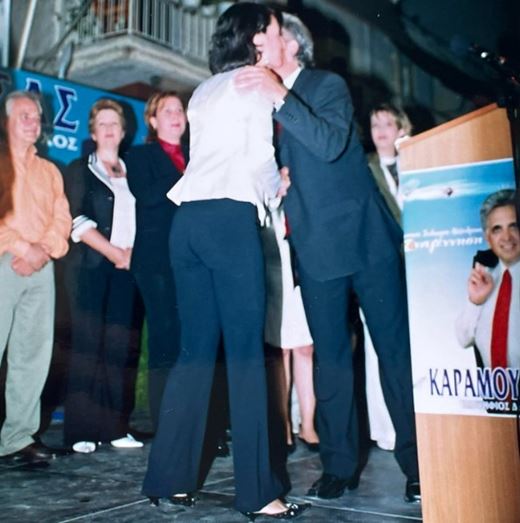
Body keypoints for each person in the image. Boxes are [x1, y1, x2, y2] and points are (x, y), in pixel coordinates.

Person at [235, 12, 420, 503]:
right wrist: (274, 183)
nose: (258, 44)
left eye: (268, 36)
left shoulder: (326, 86)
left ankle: (418, 464)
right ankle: (339, 466)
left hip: (366, 241)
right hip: (314, 246)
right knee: (331, 359)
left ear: (292, 45)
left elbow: (330, 142)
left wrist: (279, 96)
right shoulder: (259, 105)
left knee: (394, 353)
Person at [142, 4, 309, 519]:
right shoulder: (256, 82)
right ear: (255, 38)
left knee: (195, 352)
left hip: (188, 223)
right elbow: (259, 159)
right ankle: (259, 494)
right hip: (229, 220)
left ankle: (168, 480)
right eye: (273, 31)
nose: (277, 39)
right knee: (244, 356)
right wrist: (278, 188)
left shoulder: (204, 88)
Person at [62, 99, 143, 453]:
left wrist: (133, 255)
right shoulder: (79, 169)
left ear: (124, 131)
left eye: (115, 123)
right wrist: (113, 252)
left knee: (119, 348)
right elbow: (76, 220)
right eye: (102, 124)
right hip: (91, 268)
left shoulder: (134, 171)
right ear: (93, 132)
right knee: (88, 345)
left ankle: (114, 428)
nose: (109, 129)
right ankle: (80, 430)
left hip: (129, 270)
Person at [0, 90, 71, 464]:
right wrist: (21, 247)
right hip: (4, 261)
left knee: (32, 353)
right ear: (6, 122)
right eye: (23, 116)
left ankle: (16, 438)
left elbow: (62, 219)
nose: (32, 122)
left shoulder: (50, 171)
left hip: (41, 268)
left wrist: (42, 250)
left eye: (36, 116)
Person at [261, 21, 318, 454]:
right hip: (272, 239)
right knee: (279, 345)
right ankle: (280, 424)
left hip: (305, 239)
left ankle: (309, 425)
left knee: (306, 345)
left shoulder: (308, 95)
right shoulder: (260, 104)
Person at [126, 92, 186, 430]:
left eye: (180, 110)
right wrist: (186, 173)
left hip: (192, 260)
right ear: (152, 120)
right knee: (164, 337)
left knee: (193, 339)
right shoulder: (141, 155)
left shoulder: (198, 154)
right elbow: (147, 196)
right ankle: (166, 421)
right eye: (167, 110)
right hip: (156, 261)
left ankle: (194, 419)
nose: (176, 115)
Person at [363, 103, 412, 451]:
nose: (380, 130)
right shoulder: (363, 167)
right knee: (377, 350)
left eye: (387, 124)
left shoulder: (418, 163)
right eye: (375, 124)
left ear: (401, 129)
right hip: (379, 269)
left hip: (419, 270)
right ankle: (386, 430)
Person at [455, 189, 520, 371]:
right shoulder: (486, 277)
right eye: (497, 229)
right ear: (488, 238)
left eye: (514, 226)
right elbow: (463, 338)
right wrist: (475, 302)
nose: (507, 237)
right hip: (493, 388)